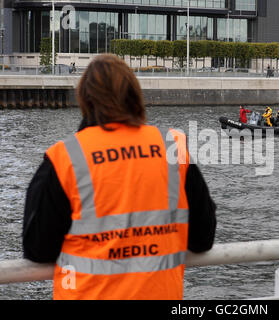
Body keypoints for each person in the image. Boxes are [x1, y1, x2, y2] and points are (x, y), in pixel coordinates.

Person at [22, 54, 217, 300]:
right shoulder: (172, 149)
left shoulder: (66, 158)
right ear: (135, 95)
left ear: (85, 100)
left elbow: (38, 249)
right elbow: (203, 239)